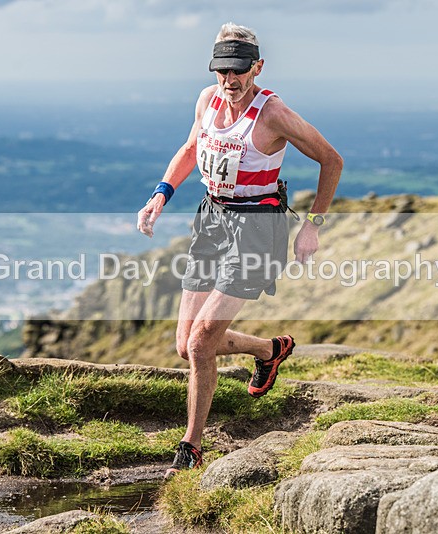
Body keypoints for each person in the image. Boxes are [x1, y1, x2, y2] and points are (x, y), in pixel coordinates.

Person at [136, 22, 343, 477]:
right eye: (221, 71)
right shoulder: (207, 100)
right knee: (185, 348)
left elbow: (332, 160)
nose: (229, 81)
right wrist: (160, 195)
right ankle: (269, 350)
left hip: (257, 229)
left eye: (239, 71)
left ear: (257, 67)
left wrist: (313, 226)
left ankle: (191, 447)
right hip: (212, 220)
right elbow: (192, 148)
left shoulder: (273, 114)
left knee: (202, 339)